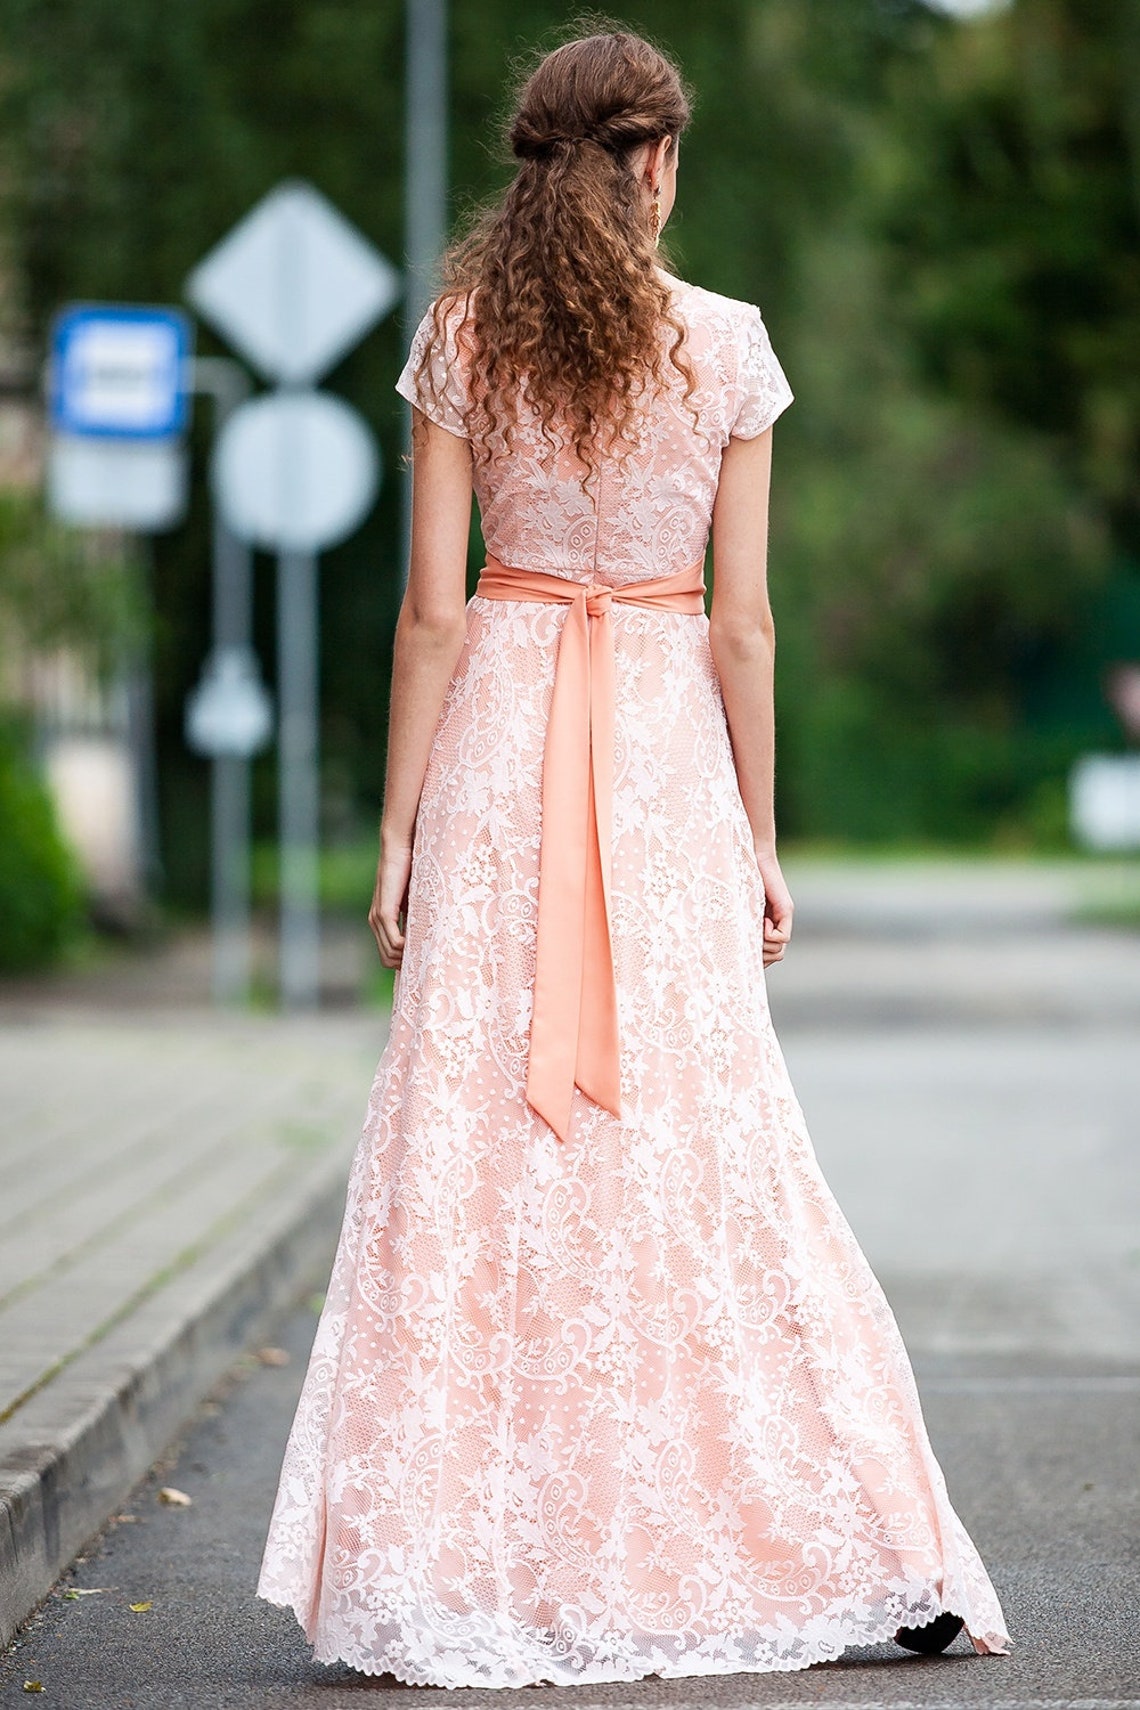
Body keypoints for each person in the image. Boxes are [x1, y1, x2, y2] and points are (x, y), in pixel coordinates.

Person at [258, 29, 1011, 1688]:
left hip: (507, 754)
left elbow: (436, 613)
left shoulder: (465, 334)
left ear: (535, 166)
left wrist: (393, 828)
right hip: (665, 761)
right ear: (657, 161)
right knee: (706, 1140)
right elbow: (741, 623)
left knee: (480, 1144)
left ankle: (463, 1557)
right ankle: (855, 1541)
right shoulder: (728, 347)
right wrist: (760, 828)